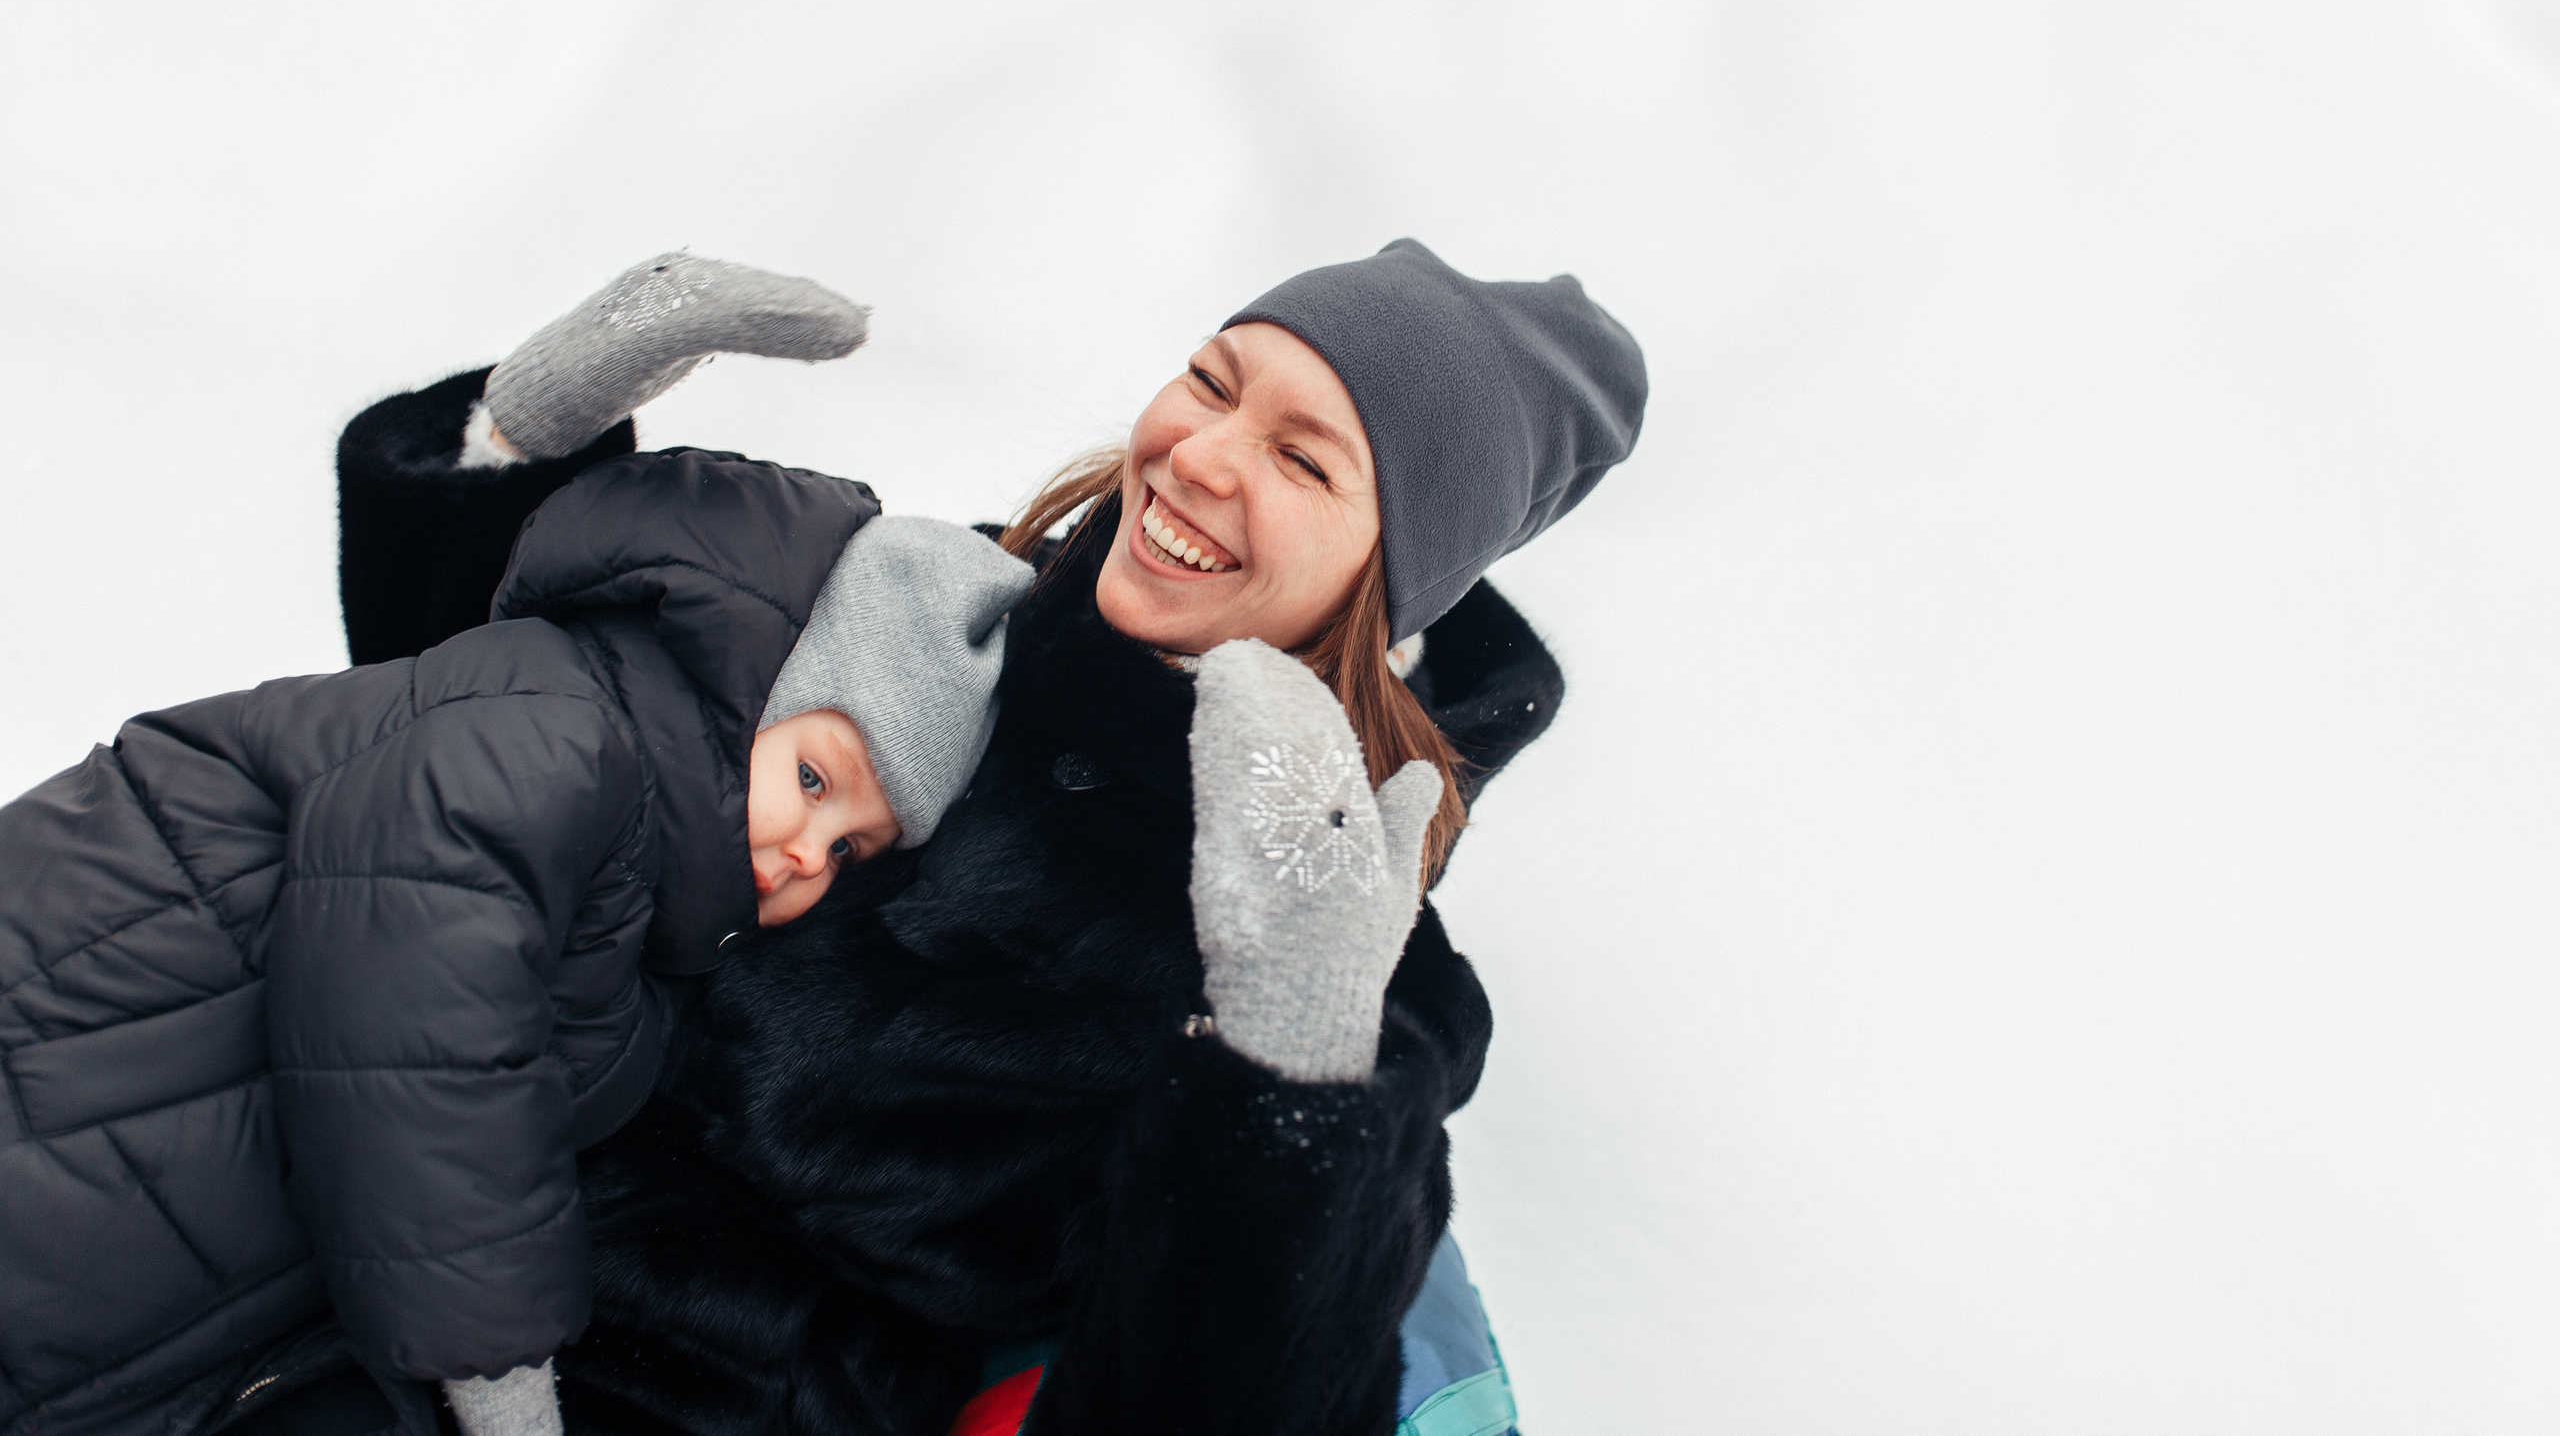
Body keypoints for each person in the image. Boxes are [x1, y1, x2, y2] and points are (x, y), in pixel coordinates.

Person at [325, 238, 1646, 1436]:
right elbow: (490, 769)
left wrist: (1286, 1059)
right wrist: (513, 449)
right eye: (1210, 378)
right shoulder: (927, 600)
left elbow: (1216, 1392)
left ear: (1392, 576)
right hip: (356, 1203)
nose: (1199, 453)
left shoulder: (1349, 953)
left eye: (1302, 459)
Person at [0, 272, 1037, 1436]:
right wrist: (494, 1365)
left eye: (854, 848)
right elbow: (416, 1022)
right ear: (757, 685)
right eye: (811, 782)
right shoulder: (561, 735)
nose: (808, 853)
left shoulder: (646, 905)